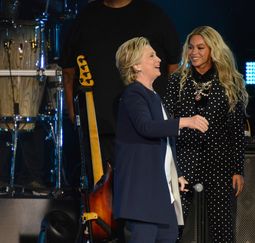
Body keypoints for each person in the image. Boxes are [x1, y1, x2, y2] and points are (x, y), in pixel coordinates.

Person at [60, 0, 181, 167]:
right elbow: (68, 71)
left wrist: (173, 110)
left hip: (150, 126)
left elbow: (174, 68)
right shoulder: (85, 18)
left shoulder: (154, 16)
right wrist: (74, 113)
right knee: (102, 189)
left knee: (144, 185)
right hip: (99, 128)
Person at [113, 37, 209, 243]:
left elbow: (163, 145)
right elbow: (146, 127)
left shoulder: (153, 96)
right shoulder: (134, 94)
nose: (158, 59)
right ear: (136, 65)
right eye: (151, 56)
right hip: (142, 197)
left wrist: (176, 175)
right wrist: (185, 121)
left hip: (160, 194)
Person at [164, 26, 249, 242]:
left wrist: (237, 169)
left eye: (200, 47)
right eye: (191, 47)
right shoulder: (177, 81)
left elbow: (236, 132)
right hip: (184, 159)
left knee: (222, 229)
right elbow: (167, 123)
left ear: (213, 49)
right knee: (173, 227)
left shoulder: (230, 82)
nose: (194, 52)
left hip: (218, 162)